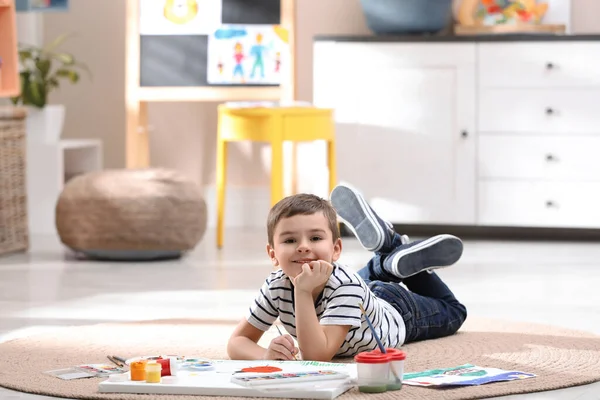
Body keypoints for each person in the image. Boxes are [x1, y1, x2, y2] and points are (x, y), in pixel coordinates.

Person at [226, 184, 467, 362]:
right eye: (290, 240)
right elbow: (237, 342)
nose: (303, 246)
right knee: (352, 285)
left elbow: (316, 356)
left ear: (336, 249)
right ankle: (387, 258)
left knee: (455, 311)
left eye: (316, 238)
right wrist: (265, 355)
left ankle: (392, 246)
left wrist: (302, 290)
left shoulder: (344, 286)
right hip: (360, 296)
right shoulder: (276, 285)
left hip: (398, 311)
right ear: (272, 254)